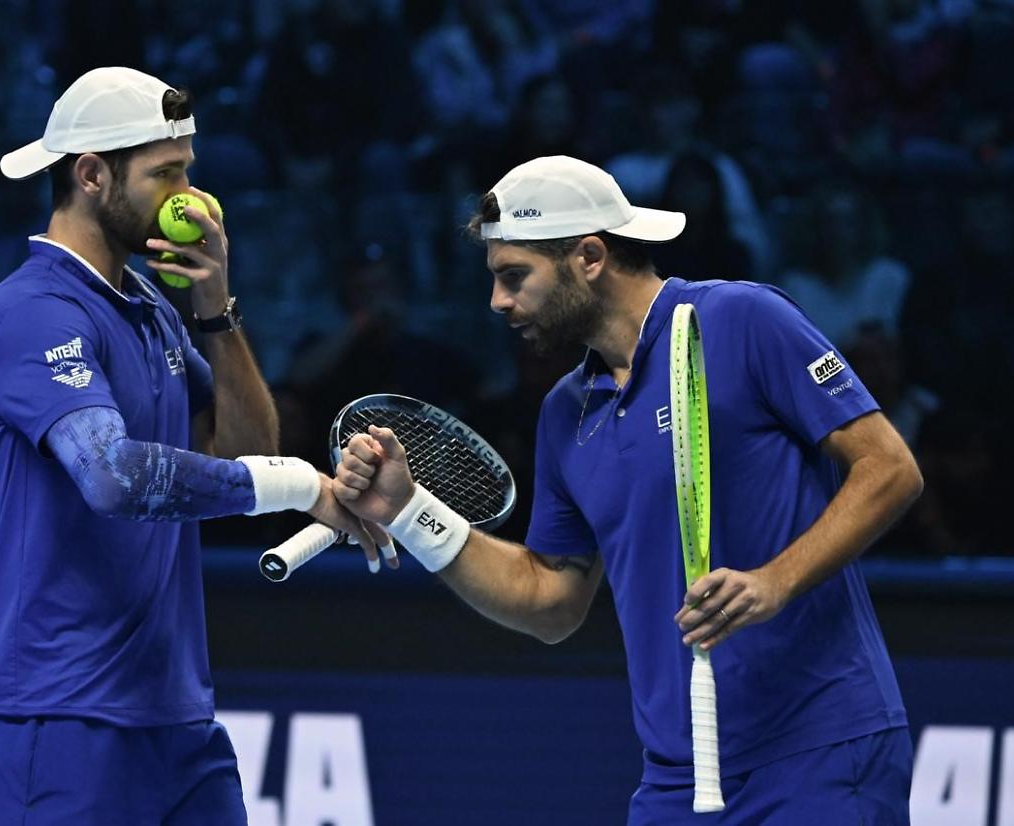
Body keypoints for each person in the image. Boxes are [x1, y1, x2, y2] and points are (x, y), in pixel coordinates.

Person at [332, 156, 923, 824]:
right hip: (678, 779)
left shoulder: (742, 319)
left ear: (588, 256)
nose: (497, 302)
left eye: (513, 276)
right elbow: (549, 600)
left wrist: (774, 581)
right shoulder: (565, 413)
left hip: (821, 751)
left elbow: (889, 469)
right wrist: (410, 513)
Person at [0, 66, 388, 826]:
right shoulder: (29, 310)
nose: (194, 199)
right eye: (168, 173)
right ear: (92, 175)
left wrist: (215, 310)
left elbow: (240, 450)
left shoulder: (150, 306)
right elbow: (112, 476)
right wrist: (301, 487)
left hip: (177, 724)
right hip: (53, 720)